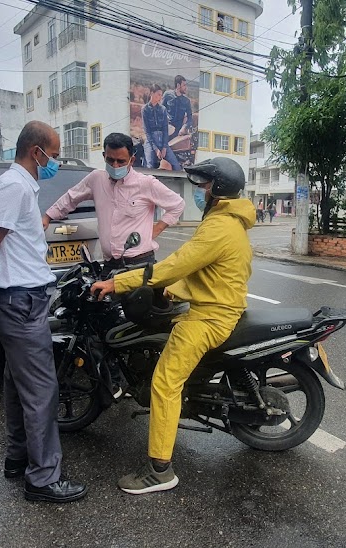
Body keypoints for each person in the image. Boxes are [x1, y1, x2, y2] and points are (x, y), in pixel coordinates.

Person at [90, 157, 254, 495]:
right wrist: (170, 289)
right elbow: (203, 271)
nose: (200, 192)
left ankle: (160, 471)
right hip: (214, 305)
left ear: (218, 190)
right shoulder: (225, 220)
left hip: (210, 317)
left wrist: (120, 282)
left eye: (204, 186)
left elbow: (177, 264)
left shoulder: (219, 226)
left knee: (165, 383)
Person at [0, 120, 87, 504]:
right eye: (52, 155)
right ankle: (43, 478)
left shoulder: (16, 186)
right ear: (35, 151)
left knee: (18, 383)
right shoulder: (13, 187)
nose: (53, 161)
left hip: (22, 298)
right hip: (18, 301)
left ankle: (18, 458)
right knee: (41, 389)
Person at [43, 132, 184, 266]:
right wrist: (48, 217)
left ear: (131, 160)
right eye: (110, 160)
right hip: (109, 264)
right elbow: (71, 197)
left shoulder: (146, 183)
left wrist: (156, 230)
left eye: (121, 161)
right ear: (104, 156)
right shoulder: (96, 179)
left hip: (139, 264)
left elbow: (177, 204)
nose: (115, 166)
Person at [141, 85, 180, 171]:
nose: (160, 97)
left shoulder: (163, 109)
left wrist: (164, 147)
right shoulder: (145, 109)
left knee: (176, 166)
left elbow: (165, 129)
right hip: (151, 141)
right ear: (152, 93)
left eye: (161, 95)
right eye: (158, 94)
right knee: (149, 166)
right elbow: (147, 131)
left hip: (162, 140)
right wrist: (155, 149)